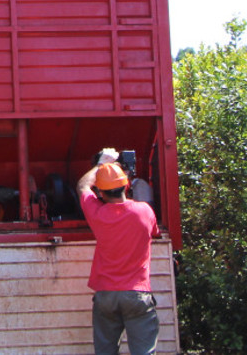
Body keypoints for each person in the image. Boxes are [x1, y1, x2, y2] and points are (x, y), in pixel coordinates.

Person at [76, 150, 161, 355]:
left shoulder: (97, 213)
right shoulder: (145, 212)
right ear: (126, 185)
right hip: (137, 294)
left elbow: (82, 186)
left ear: (101, 194)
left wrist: (100, 164)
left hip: (106, 295)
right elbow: (155, 232)